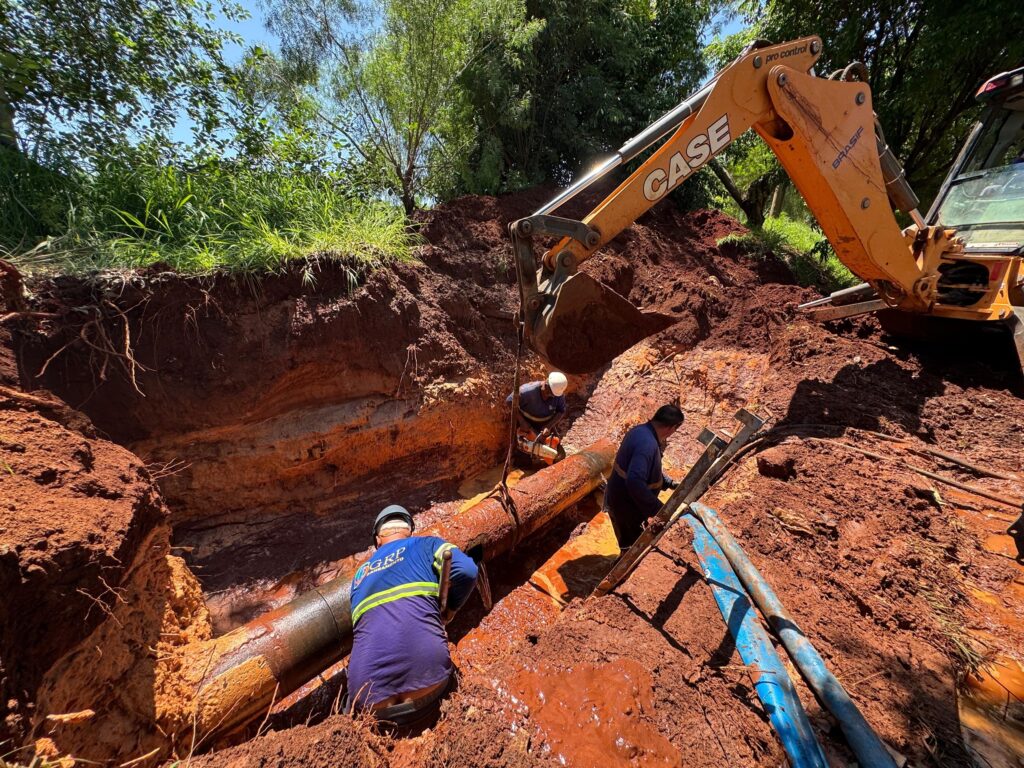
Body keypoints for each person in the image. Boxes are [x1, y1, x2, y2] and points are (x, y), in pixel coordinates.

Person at [347, 505, 478, 730]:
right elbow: (467, 570)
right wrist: (451, 609)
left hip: (372, 707)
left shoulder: (358, 577)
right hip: (430, 691)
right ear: (409, 531)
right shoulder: (426, 544)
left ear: (377, 540)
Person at [604, 404, 685, 549]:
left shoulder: (640, 431)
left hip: (621, 499)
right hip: (626, 506)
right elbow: (634, 481)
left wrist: (669, 483)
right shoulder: (647, 444)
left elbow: (646, 469)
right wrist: (657, 510)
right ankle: (624, 568)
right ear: (672, 428)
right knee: (631, 545)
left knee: (629, 539)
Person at [506, 371, 569, 463]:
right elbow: (509, 401)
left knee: (557, 456)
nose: (550, 396)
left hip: (546, 424)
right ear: (546, 383)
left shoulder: (558, 395)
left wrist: (549, 426)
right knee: (525, 458)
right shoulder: (527, 391)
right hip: (526, 423)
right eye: (548, 392)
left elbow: (561, 411)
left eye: (553, 395)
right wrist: (522, 421)